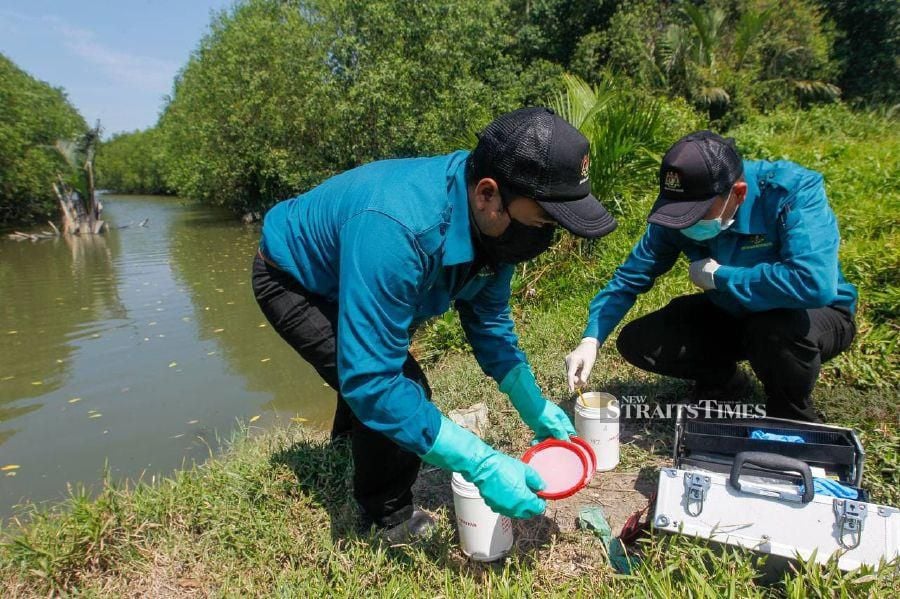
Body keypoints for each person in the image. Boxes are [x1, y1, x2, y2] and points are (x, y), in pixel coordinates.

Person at [253, 107, 617, 541]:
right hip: (296, 279)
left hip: (359, 264)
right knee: (397, 384)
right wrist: (479, 462)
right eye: (543, 220)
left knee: (369, 359)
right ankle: (386, 517)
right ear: (487, 195)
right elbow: (374, 382)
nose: (545, 235)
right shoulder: (399, 228)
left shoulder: (495, 225)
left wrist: (533, 405)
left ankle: (346, 444)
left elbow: (489, 321)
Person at [565, 131, 857, 422]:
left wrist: (722, 278)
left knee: (771, 327)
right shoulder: (676, 217)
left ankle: (792, 417)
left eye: (697, 213)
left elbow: (813, 283)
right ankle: (726, 384)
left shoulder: (790, 191)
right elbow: (629, 279)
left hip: (809, 314)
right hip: (734, 311)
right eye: (679, 213)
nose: (686, 222)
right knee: (641, 340)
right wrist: (591, 339)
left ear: (738, 193)